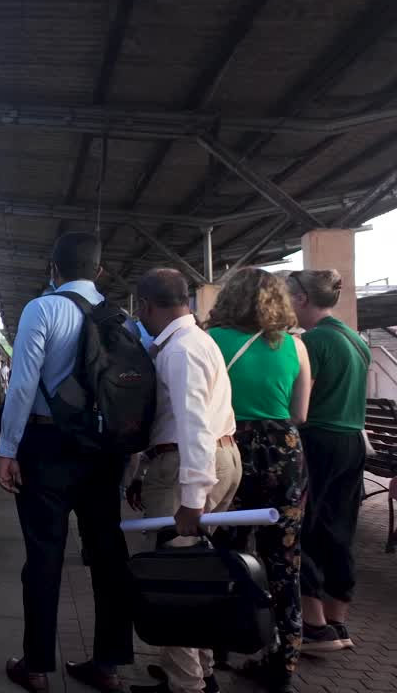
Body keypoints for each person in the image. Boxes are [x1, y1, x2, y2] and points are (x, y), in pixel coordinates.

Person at [0, 232, 133, 693]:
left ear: (52, 270)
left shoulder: (42, 308)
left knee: (44, 556)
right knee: (108, 554)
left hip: (47, 446)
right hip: (102, 451)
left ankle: (36, 668)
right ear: (98, 271)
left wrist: (7, 449)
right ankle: (108, 665)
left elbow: (21, 384)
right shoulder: (120, 317)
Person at [192, 268, 311, 693]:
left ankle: (217, 648)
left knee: (225, 550)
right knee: (284, 560)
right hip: (285, 452)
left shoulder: (213, 342)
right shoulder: (296, 346)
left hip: (231, 446)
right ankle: (285, 658)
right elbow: (300, 414)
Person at [124, 269, 241, 693]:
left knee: (172, 576)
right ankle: (200, 669)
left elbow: (191, 426)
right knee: (200, 571)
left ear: (146, 307)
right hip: (221, 457)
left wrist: (191, 498)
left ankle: (186, 683)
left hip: (188, 466)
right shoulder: (199, 341)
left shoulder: (179, 352)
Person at [286, 269, 371, 653]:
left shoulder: (314, 341)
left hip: (318, 441)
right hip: (352, 442)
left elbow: (300, 401)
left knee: (306, 529)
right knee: (339, 528)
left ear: (302, 299)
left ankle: (314, 625)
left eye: (288, 296)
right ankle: (338, 621)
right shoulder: (354, 338)